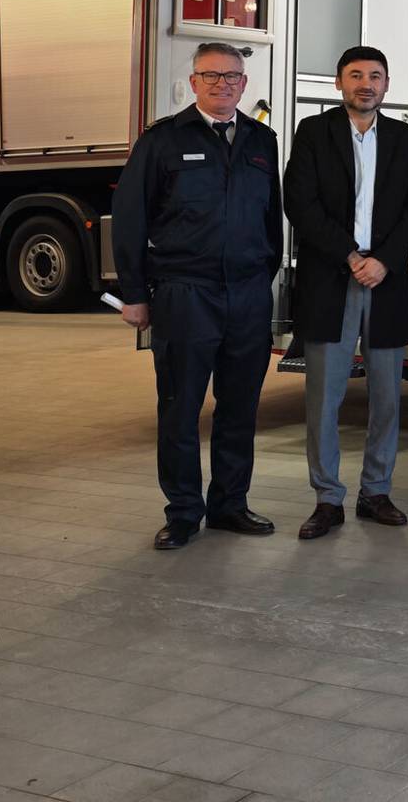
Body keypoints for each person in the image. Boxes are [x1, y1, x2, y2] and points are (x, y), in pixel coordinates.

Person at [113, 42, 283, 550]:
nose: (223, 84)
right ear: (194, 83)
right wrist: (135, 294)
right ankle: (184, 511)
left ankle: (230, 504)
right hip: (184, 293)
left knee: (239, 406)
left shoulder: (262, 140)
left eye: (233, 77)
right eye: (212, 76)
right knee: (181, 406)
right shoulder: (163, 141)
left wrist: (262, 275)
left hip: (248, 295)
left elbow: (270, 218)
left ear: (244, 85)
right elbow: (129, 220)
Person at [282, 45, 408, 541]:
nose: (365, 84)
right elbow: (299, 203)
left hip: (386, 278)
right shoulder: (313, 134)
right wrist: (350, 256)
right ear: (338, 84)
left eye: (375, 76)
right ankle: (327, 498)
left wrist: (383, 260)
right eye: (355, 75)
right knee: (324, 397)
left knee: (387, 396)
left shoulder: (407, 140)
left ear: (387, 85)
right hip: (332, 275)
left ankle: (376, 491)